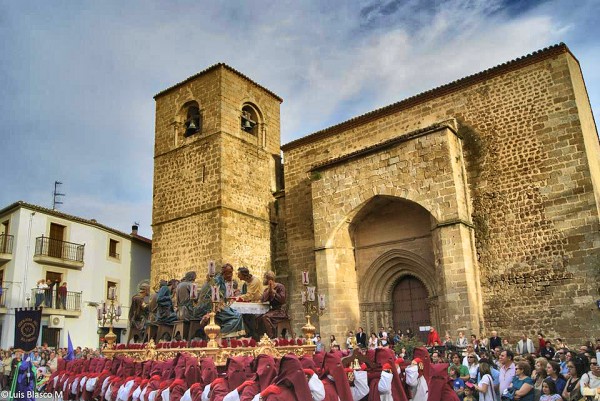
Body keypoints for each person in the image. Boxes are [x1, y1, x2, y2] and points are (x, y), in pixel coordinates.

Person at [257, 271, 287, 339]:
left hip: (280, 312)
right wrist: (269, 291)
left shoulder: (280, 287)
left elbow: (282, 300)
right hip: (272, 311)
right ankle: (262, 337)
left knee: (265, 317)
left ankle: (272, 337)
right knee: (258, 317)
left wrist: (274, 292)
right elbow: (263, 299)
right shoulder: (267, 289)